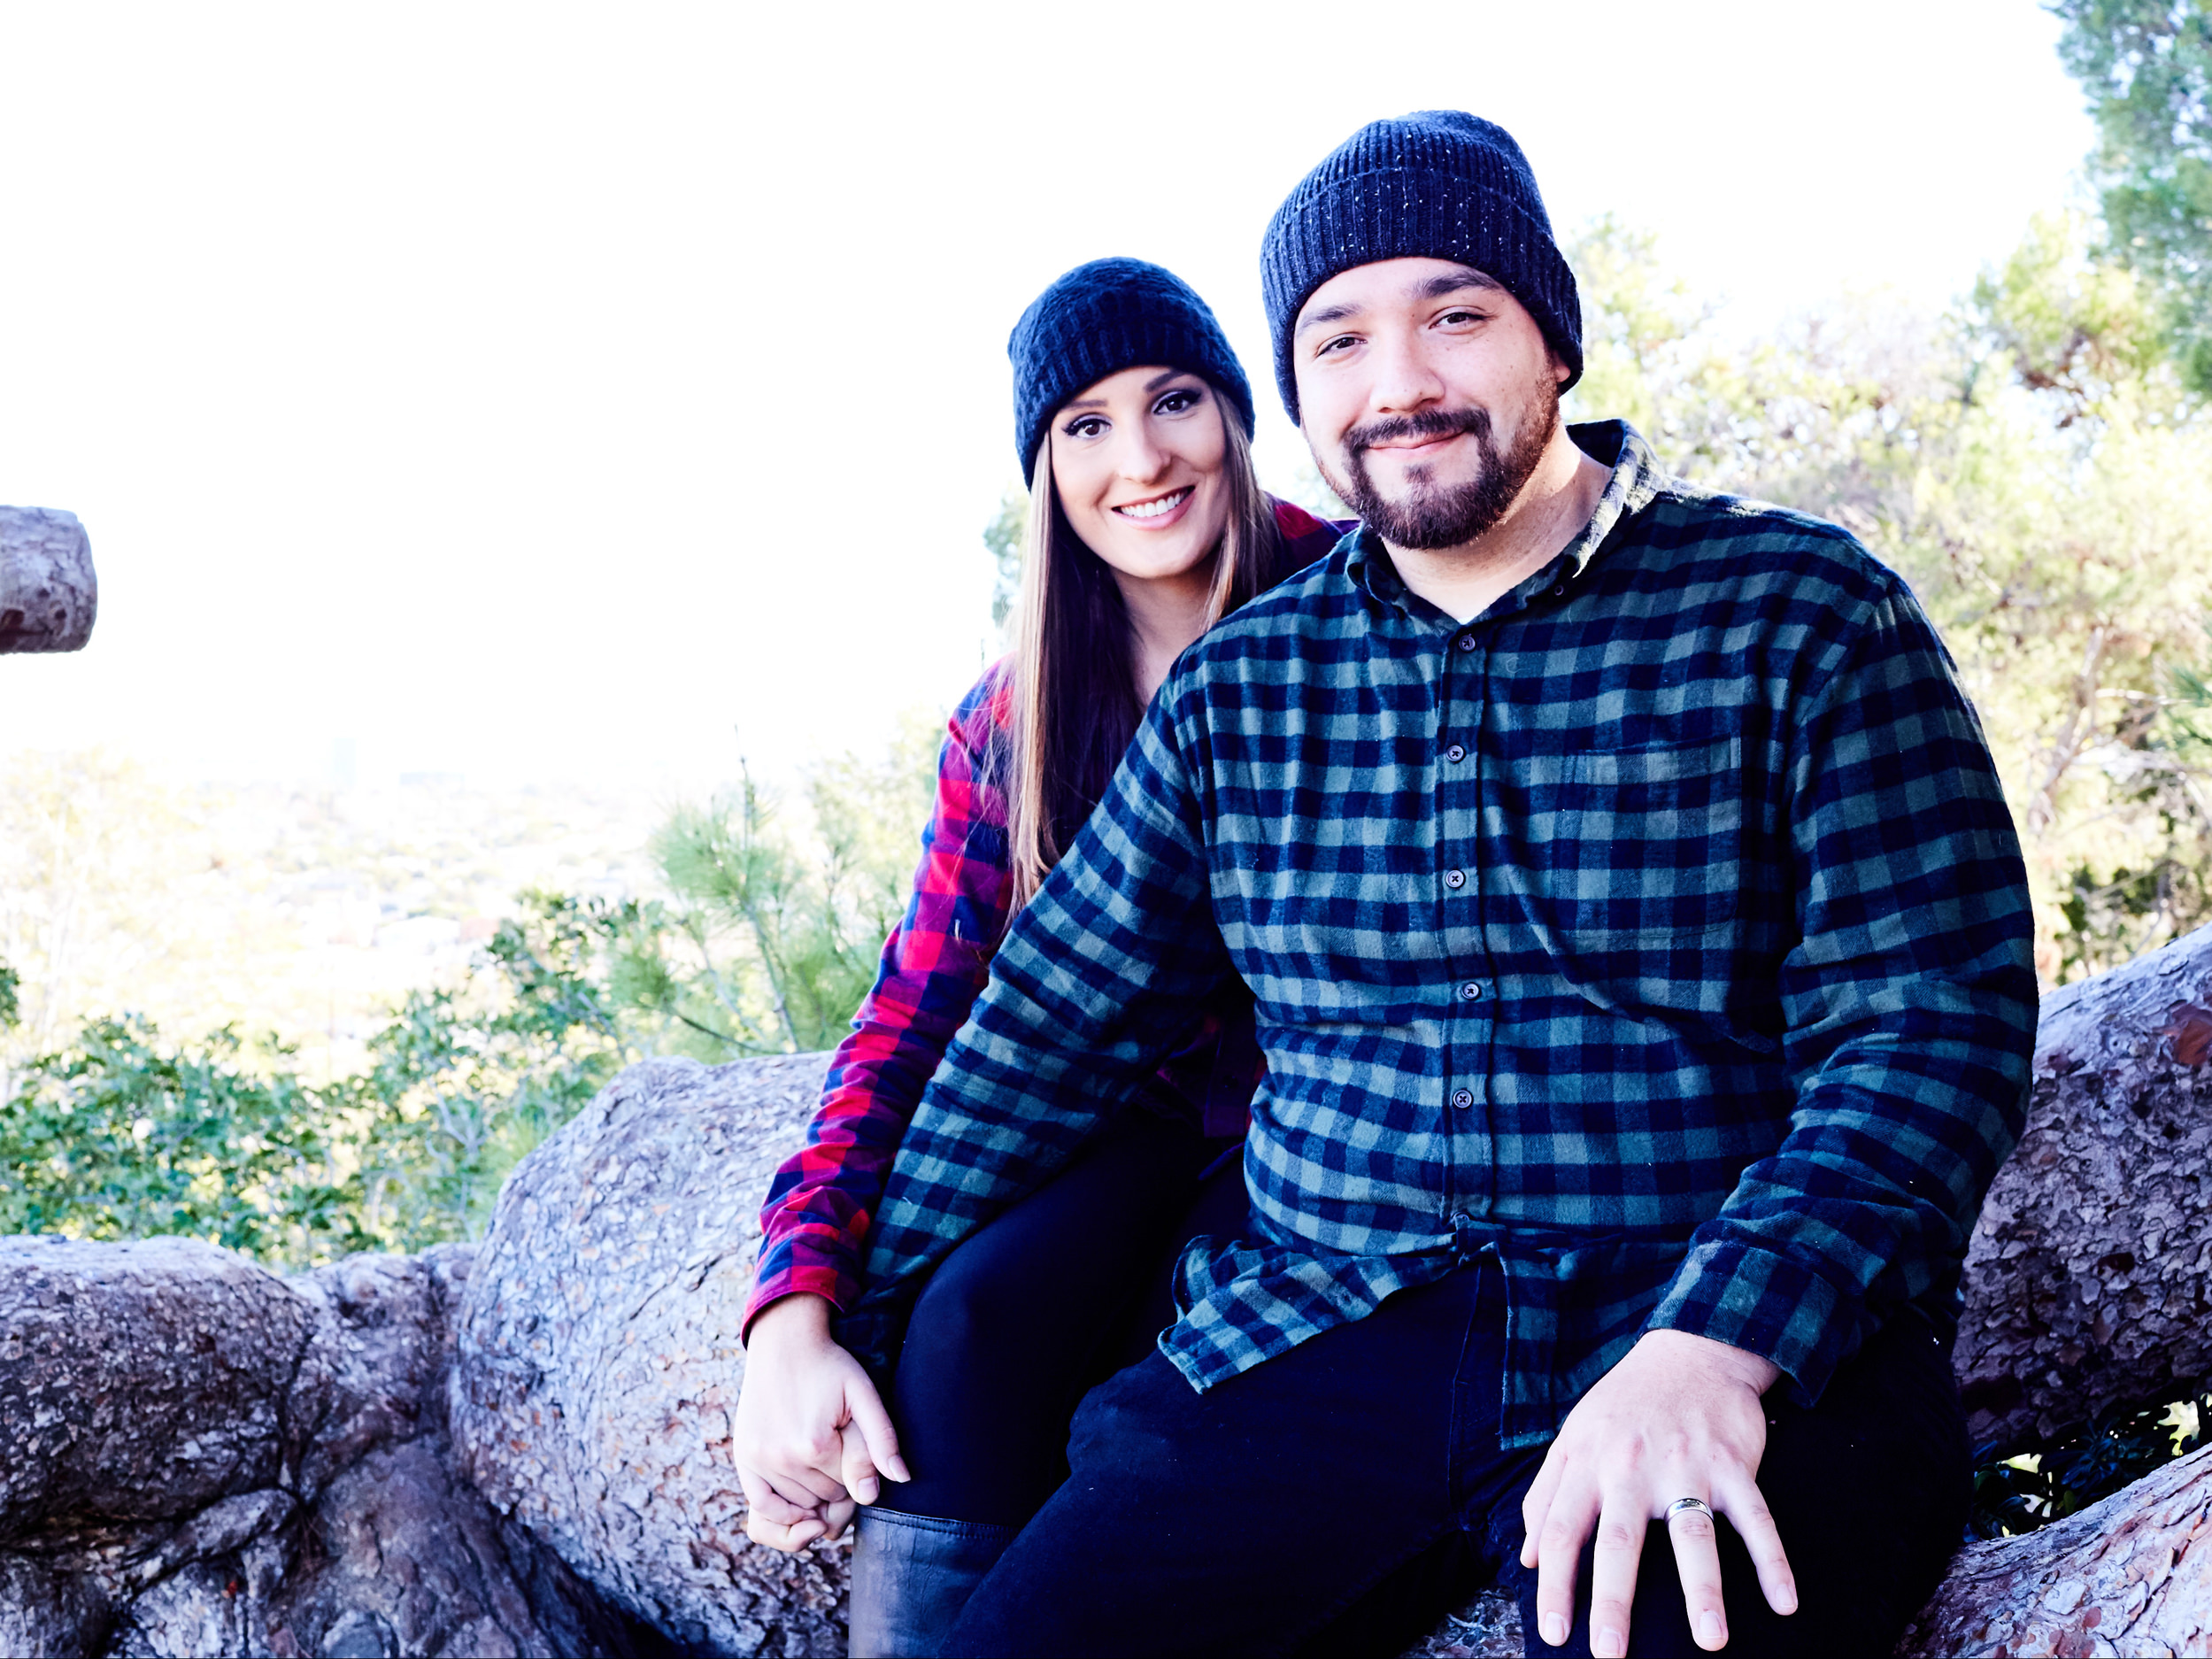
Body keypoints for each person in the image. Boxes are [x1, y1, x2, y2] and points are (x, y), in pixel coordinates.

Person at [835, 112, 2038, 1658]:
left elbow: (1928, 1023)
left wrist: (1729, 1332)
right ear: (1298, 390)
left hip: (1702, 1304)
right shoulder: (1241, 695)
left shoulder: (1800, 613)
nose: (1395, 381)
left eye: (1453, 315)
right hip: (1320, 1333)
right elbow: (1041, 1039)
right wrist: (823, 1312)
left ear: (1554, 342)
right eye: (1337, 338)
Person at [730, 258, 1345, 1654]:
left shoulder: (1354, 605)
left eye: (1174, 400)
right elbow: (911, 1022)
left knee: (1186, 1363)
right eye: (1085, 424)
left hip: (1334, 1121)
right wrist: (791, 1302)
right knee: (971, 1319)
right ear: (1043, 466)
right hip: (1129, 1121)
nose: (1140, 459)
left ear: (1237, 414)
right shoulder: (1015, 721)